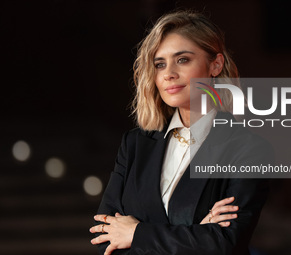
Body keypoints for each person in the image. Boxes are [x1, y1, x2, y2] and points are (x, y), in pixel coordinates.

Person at [89, 10, 273, 255]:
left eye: (183, 59)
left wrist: (136, 234)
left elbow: (225, 244)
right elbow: (104, 237)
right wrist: (197, 234)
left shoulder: (248, 149)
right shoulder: (135, 144)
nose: (169, 73)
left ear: (215, 65)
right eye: (160, 64)